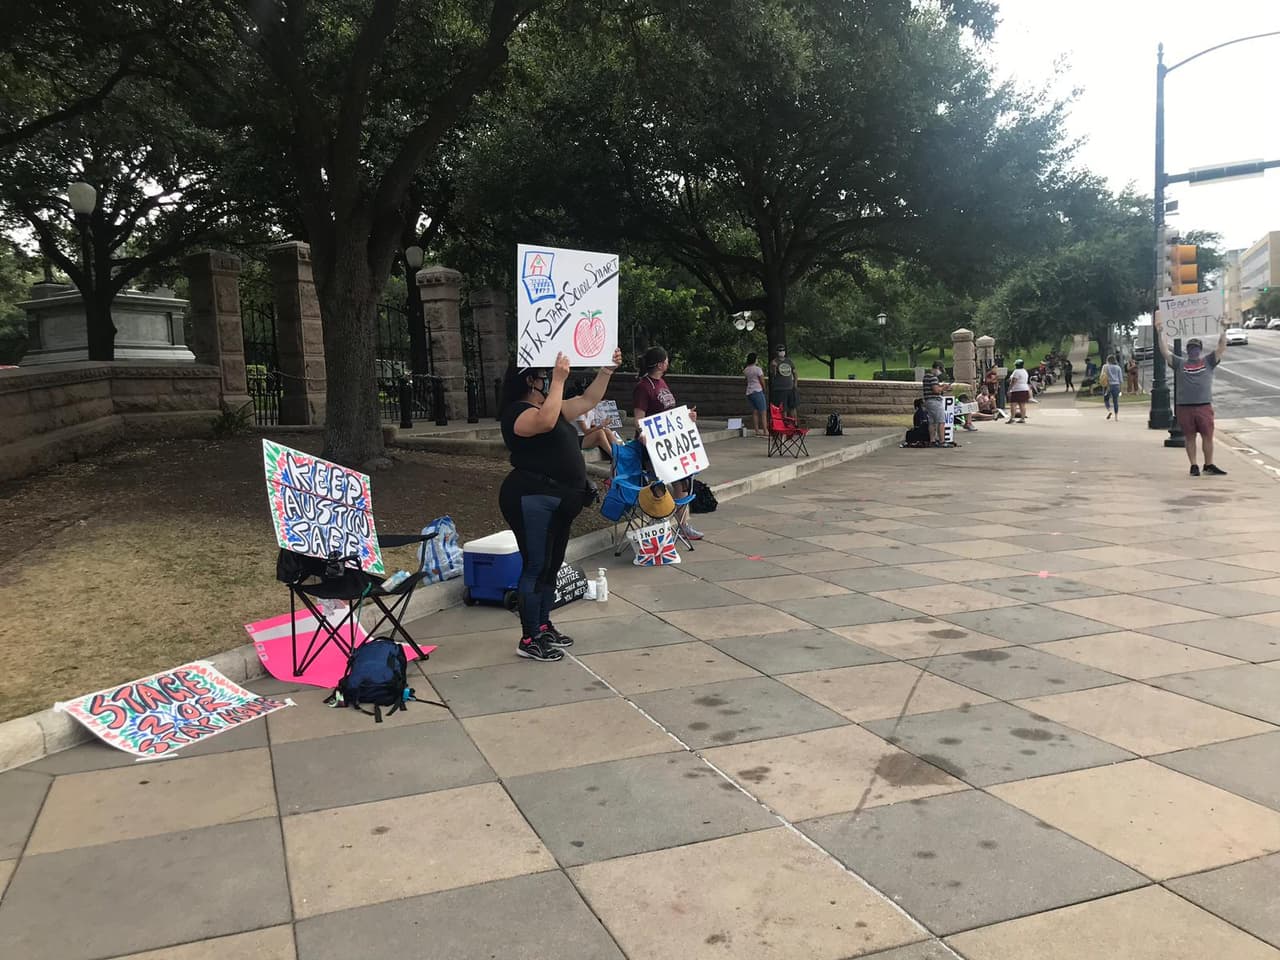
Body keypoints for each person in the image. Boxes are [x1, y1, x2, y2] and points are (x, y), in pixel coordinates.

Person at [499, 347, 623, 662]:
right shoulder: (517, 413)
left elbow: (587, 401)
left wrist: (606, 371)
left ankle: (543, 625)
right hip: (531, 498)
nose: (548, 381)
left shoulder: (552, 408)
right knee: (536, 565)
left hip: (560, 500)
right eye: (542, 377)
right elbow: (543, 422)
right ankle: (529, 638)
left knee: (552, 565)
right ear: (530, 380)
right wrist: (558, 380)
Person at [633, 346, 703, 540]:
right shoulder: (643, 387)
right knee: (658, 483)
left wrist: (687, 417)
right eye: (666, 360)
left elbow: (669, 413)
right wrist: (643, 433)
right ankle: (659, 527)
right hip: (653, 446)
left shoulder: (662, 383)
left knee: (682, 482)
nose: (668, 363)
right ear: (660, 364)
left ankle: (683, 525)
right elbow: (638, 418)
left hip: (671, 444)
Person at [1155, 312, 1229, 477]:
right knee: (1190, 437)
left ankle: (1208, 464)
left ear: (1200, 350)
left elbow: (1221, 347)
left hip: (1204, 406)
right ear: (1187, 350)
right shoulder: (1179, 363)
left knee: (1207, 436)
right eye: (1191, 348)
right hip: (1185, 407)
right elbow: (1164, 351)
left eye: (1196, 348)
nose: (1193, 350)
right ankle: (1193, 465)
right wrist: (1160, 332)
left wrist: (1223, 329)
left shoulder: (1208, 361)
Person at [921, 362, 951, 446]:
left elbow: (933, 388)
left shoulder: (926, 376)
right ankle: (942, 441)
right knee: (941, 421)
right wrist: (944, 387)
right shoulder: (933, 377)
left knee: (932, 422)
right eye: (941, 370)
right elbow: (936, 390)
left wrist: (940, 387)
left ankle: (932, 440)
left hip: (928, 401)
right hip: (935, 401)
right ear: (937, 367)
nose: (940, 372)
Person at [769, 345, 798, 417]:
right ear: (777, 352)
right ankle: (784, 422)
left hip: (790, 387)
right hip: (780, 388)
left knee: (793, 407)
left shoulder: (789, 361)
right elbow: (773, 375)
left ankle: (794, 422)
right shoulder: (774, 362)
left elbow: (794, 373)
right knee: (783, 408)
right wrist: (774, 367)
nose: (782, 352)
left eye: (783, 350)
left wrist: (795, 383)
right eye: (780, 350)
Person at [743, 351, 767, 437]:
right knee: (763, 412)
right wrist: (764, 389)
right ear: (755, 360)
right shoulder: (758, 369)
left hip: (749, 392)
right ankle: (765, 430)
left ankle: (757, 430)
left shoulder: (746, 370)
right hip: (757, 390)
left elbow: (746, 380)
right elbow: (762, 380)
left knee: (755, 411)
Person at [1006, 358, 1031, 423]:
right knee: (1022, 404)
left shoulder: (1016, 371)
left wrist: (1009, 389)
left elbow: (1013, 381)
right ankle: (1022, 418)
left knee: (1013, 404)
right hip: (1024, 388)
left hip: (1017, 389)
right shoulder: (1024, 371)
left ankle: (1012, 418)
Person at [1102, 354, 1123, 420]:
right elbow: (1121, 379)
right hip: (1116, 385)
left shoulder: (1105, 367)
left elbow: (1102, 376)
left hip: (1108, 385)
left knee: (1106, 399)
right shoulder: (1118, 368)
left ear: (1108, 360)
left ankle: (1109, 410)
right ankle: (1116, 416)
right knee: (1115, 401)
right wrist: (1120, 389)